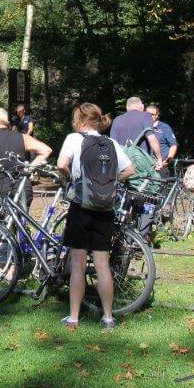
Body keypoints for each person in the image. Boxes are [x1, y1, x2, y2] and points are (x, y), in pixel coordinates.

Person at [56, 103, 135, 330]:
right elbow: (130, 170)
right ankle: (108, 317)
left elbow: (62, 164)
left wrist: (71, 177)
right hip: (105, 209)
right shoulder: (110, 143)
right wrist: (111, 183)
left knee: (78, 264)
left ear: (79, 120)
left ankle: (73, 318)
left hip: (81, 206)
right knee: (103, 264)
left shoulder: (74, 139)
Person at [109, 97, 164, 171]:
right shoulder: (146, 116)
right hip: (142, 165)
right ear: (141, 106)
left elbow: (112, 144)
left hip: (122, 166)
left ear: (127, 107)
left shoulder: (117, 120)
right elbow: (151, 138)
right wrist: (159, 159)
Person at [146, 104, 178, 177]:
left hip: (161, 166)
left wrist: (167, 161)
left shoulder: (165, 127)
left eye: (152, 114)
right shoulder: (142, 127)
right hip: (145, 166)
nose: (149, 117)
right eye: (147, 114)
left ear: (157, 115)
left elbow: (173, 145)